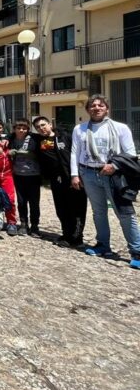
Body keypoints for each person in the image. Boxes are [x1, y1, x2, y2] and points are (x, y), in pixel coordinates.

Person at [70, 94, 140, 269]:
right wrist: (74, 174)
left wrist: (114, 166)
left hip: (113, 175)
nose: (96, 108)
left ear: (107, 109)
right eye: (92, 105)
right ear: (87, 110)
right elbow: (75, 152)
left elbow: (130, 153)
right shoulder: (80, 129)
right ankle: (103, 245)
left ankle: (137, 251)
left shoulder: (120, 128)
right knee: (98, 211)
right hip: (88, 173)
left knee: (124, 213)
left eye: (100, 105)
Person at [32, 115, 87, 247]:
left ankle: (77, 237)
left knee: (77, 208)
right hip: (56, 180)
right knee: (62, 208)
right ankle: (66, 234)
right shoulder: (39, 141)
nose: (41, 128)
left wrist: (78, 174)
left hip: (73, 177)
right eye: (38, 127)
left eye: (43, 125)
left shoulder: (64, 137)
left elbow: (78, 152)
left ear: (50, 124)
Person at [9, 119, 41, 236]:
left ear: (28, 129)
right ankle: (23, 224)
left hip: (33, 175)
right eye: (18, 128)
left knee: (34, 202)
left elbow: (40, 151)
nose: (21, 130)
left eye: (24, 128)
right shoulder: (11, 138)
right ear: (14, 129)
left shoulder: (34, 138)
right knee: (21, 201)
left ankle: (35, 226)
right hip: (18, 175)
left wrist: (28, 153)